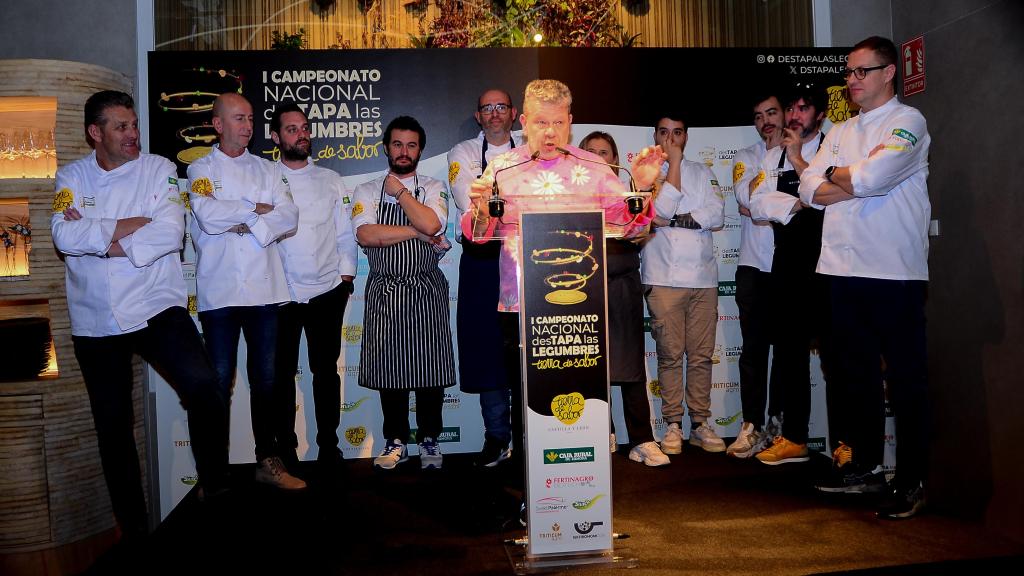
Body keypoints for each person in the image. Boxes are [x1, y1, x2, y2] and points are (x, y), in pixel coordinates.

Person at [462, 79, 664, 482]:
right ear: (524, 122)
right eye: (540, 122)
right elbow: (478, 233)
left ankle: (579, 491)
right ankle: (529, 492)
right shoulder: (503, 168)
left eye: (558, 122)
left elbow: (626, 224)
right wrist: (482, 209)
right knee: (527, 405)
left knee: (579, 404)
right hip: (520, 305)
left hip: (580, 309)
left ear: (570, 122)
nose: (550, 132)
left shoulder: (592, 168)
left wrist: (640, 188)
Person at [51, 90, 228, 539]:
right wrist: (131, 226)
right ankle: (132, 528)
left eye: (134, 124)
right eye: (121, 127)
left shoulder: (160, 168)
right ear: (95, 132)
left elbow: (169, 233)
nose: (133, 134)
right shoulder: (69, 176)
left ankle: (215, 486)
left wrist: (103, 241)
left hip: (156, 304)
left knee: (205, 385)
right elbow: (62, 234)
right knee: (113, 426)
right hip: (95, 316)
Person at [799, 36, 931, 519]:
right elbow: (810, 190)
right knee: (854, 378)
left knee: (905, 380)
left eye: (862, 71)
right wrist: (846, 176)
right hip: (840, 270)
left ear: (890, 72)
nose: (852, 80)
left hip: (893, 271)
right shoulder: (842, 131)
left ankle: (913, 479)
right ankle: (867, 469)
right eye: (849, 72)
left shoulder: (908, 122)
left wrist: (837, 176)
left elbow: (872, 180)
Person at [187, 92, 303, 490]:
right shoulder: (199, 168)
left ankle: (268, 459)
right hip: (219, 293)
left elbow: (289, 216)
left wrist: (238, 213)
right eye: (239, 118)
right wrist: (257, 210)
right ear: (218, 125)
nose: (248, 126)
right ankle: (212, 472)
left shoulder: (269, 170)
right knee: (217, 382)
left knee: (266, 380)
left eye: (251, 118)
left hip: (265, 292)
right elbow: (207, 214)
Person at [352, 115, 455, 471]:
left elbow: (432, 223)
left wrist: (399, 193)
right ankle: (395, 440)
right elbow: (366, 235)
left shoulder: (434, 185)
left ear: (420, 150)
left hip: (427, 287)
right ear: (386, 148)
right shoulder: (365, 190)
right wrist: (415, 232)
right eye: (397, 144)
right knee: (390, 369)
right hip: (384, 289)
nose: (404, 151)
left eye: (411, 145)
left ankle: (429, 439)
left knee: (430, 369)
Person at [270, 103, 357, 478]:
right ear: (275, 138)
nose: (301, 134)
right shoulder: (265, 177)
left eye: (304, 128)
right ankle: (285, 450)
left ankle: (329, 445)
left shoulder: (331, 179)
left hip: (326, 291)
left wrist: (346, 278)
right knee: (281, 374)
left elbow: (344, 233)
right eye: (292, 129)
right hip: (279, 294)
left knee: (325, 373)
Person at [748, 82, 831, 465]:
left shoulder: (834, 148)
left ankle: (846, 444)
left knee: (838, 355)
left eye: (804, 108)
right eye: (791, 109)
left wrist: (800, 161)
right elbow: (759, 203)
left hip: (829, 263)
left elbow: (834, 198)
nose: (795, 116)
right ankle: (795, 438)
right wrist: (803, 202)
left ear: (820, 113)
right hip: (787, 262)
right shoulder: (773, 157)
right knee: (790, 354)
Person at [579, 130, 668, 467]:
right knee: (591, 367)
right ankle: (603, 432)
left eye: (605, 152)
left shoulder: (630, 194)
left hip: (622, 288)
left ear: (616, 161)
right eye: (591, 151)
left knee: (630, 366)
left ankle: (643, 439)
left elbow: (644, 229)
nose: (599, 158)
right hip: (582, 290)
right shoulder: (569, 198)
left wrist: (642, 192)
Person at [642, 113, 726, 454]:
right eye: (665, 133)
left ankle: (700, 423)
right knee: (671, 354)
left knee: (702, 355)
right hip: (662, 276)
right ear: (655, 136)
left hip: (702, 278)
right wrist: (672, 164)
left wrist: (673, 221)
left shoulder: (703, 172)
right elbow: (658, 207)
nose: (671, 139)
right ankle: (673, 423)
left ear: (686, 136)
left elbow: (717, 214)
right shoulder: (644, 173)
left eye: (677, 133)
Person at [447, 89, 517, 467]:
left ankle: (528, 436)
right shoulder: (462, 154)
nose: (494, 114)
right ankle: (497, 437)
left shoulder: (533, 153)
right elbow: (466, 201)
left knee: (525, 347)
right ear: (478, 116)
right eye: (487, 108)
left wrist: (496, 197)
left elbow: (530, 202)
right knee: (486, 348)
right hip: (482, 257)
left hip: (525, 255)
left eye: (500, 107)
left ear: (514, 113)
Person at [726, 92, 783, 458]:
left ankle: (778, 425)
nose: (766, 121)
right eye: (759, 115)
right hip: (751, 266)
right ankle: (751, 424)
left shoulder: (803, 154)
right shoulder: (745, 158)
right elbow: (748, 203)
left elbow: (804, 205)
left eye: (772, 112)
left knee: (788, 352)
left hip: (789, 267)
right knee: (753, 351)